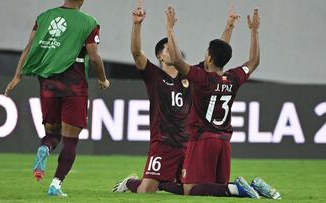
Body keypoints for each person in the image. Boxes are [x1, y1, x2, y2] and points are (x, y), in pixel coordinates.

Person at [113, 1, 240, 195]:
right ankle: (130, 183)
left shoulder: (191, 74)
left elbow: (216, 57)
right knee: (147, 190)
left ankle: (164, 183)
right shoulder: (154, 76)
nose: (172, 50)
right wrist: (137, 24)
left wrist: (229, 28)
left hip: (190, 143)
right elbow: (137, 53)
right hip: (163, 143)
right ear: (160, 57)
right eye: (167, 48)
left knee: (192, 189)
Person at [165, 6, 281, 199]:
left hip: (202, 139)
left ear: (209, 57)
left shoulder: (203, 79)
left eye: (206, 52)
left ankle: (237, 188)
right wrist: (254, 31)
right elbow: (254, 60)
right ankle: (254, 187)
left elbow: (176, 59)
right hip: (224, 142)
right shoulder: (233, 77)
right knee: (215, 189)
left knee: (191, 190)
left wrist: (169, 28)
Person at [4, 0, 109, 197]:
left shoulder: (43, 17)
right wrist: (103, 79)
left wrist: (17, 76)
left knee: (52, 134)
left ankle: (44, 147)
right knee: (70, 141)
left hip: (48, 84)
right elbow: (94, 57)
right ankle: (56, 184)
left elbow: (29, 47)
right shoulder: (89, 22)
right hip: (73, 85)